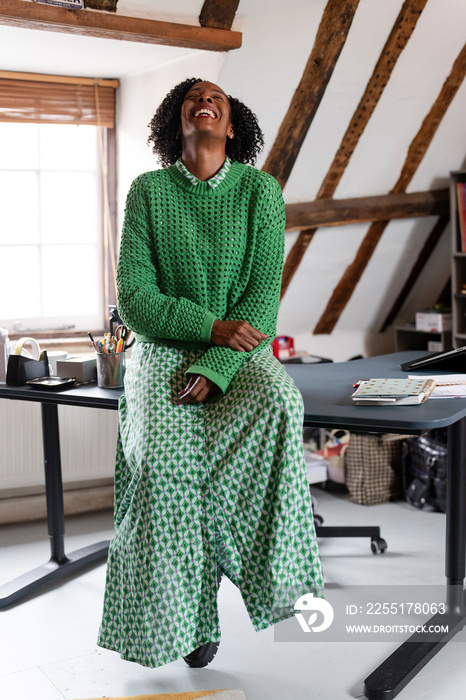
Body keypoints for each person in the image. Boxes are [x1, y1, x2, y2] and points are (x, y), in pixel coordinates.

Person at [97, 78, 324, 669]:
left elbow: (260, 298)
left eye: (219, 99)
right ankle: (188, 618)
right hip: (162, 352)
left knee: (280, 401)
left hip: (238, 355)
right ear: (178, 123)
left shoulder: (260, 192)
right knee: (162, 473)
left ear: (231, 125)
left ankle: (271, 582)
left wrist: (221, 361)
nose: (207, 100)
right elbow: (137, 300)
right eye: (194, 97)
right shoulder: (148, 191)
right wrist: (211, 329)